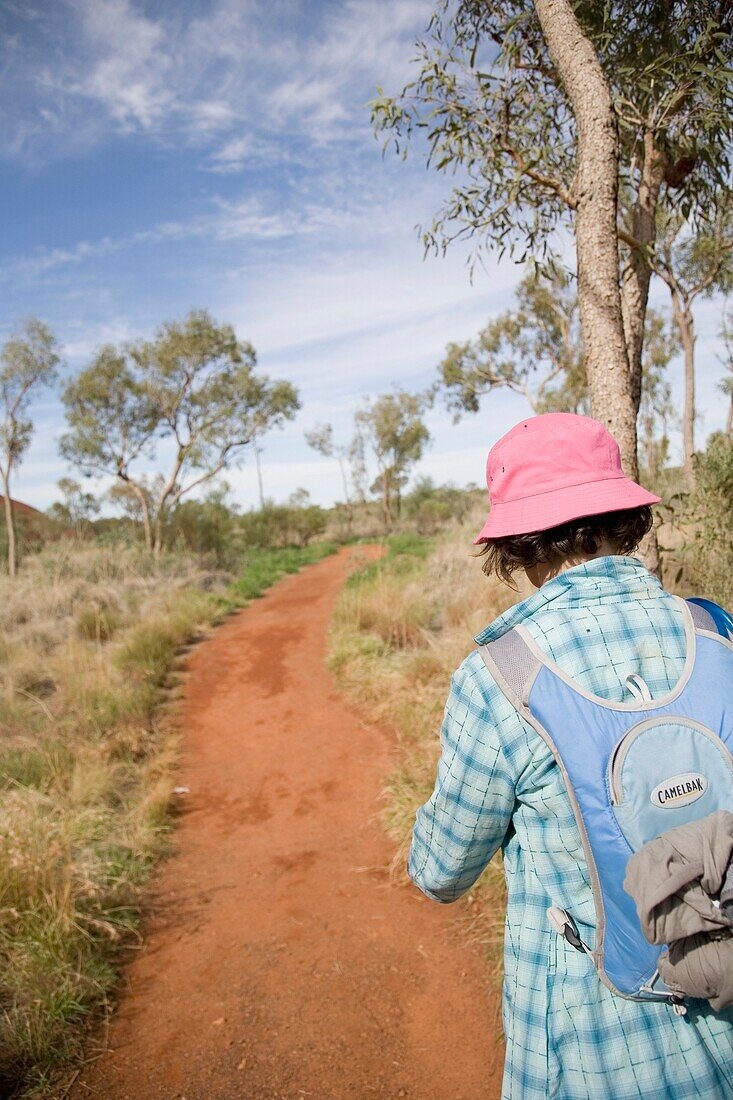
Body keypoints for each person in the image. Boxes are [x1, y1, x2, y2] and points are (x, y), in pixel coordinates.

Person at [408, 413, 733, 1099]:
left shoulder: (502, 674)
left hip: (600, 1038)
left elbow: (440, 872)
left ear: (518, 545)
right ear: (627, 518)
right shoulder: (715, 630)